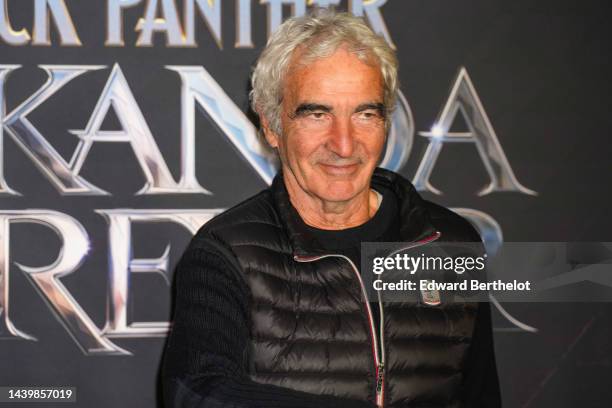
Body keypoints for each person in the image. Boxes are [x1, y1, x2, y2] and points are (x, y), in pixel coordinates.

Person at [161, 10, 501, 408]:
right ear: (272, 126)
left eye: (365, 114)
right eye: (317, 114)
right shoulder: (226, 253)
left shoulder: (451, 241)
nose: (344, 143)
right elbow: (197, 391)